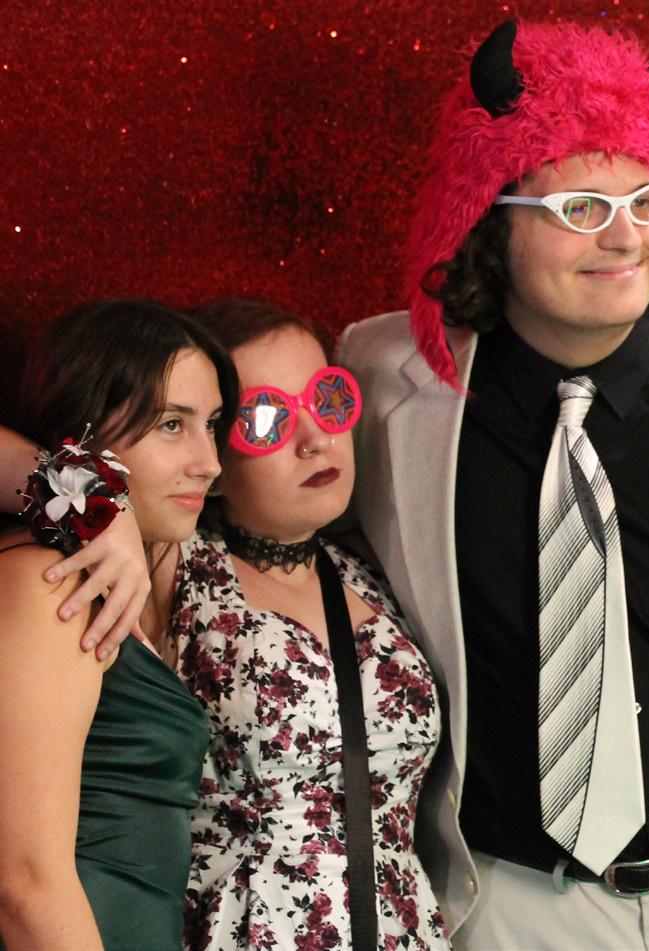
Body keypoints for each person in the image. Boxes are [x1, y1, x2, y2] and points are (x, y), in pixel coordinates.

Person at [337, 15, 649, 951]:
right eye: (579, 209)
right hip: (510, 904)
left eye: (646, 201)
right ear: (485, 221)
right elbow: (212, 470)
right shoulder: (380, 382)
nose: (625, 239)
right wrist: (93, 520)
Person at [149, 298, 450, 950]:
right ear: (209, 452)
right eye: (265, 418)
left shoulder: (374, 571)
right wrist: (103, 514)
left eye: (329, 399)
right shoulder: (171, 567)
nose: (314, 438)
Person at [0, 298, 238, 951]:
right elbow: (26, 884)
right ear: (82, 434)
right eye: (171, 424)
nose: (209, 461)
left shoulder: (94, 579)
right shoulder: (48, 582)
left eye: (212, 424)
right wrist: (87, 493)